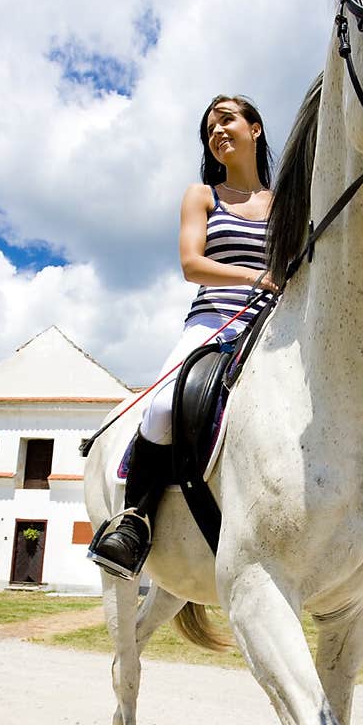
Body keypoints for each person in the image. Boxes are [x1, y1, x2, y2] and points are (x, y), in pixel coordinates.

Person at [88, 93, 277, 580]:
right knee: (163, 407)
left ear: (255, 129)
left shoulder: (284, 201)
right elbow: (192, 264)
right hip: (213, 321)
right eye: (209, 127)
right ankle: (134, 520)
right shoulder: (202, 195)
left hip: (275, 324)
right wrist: (256, 278)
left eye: (227, 119)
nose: (217, 131)